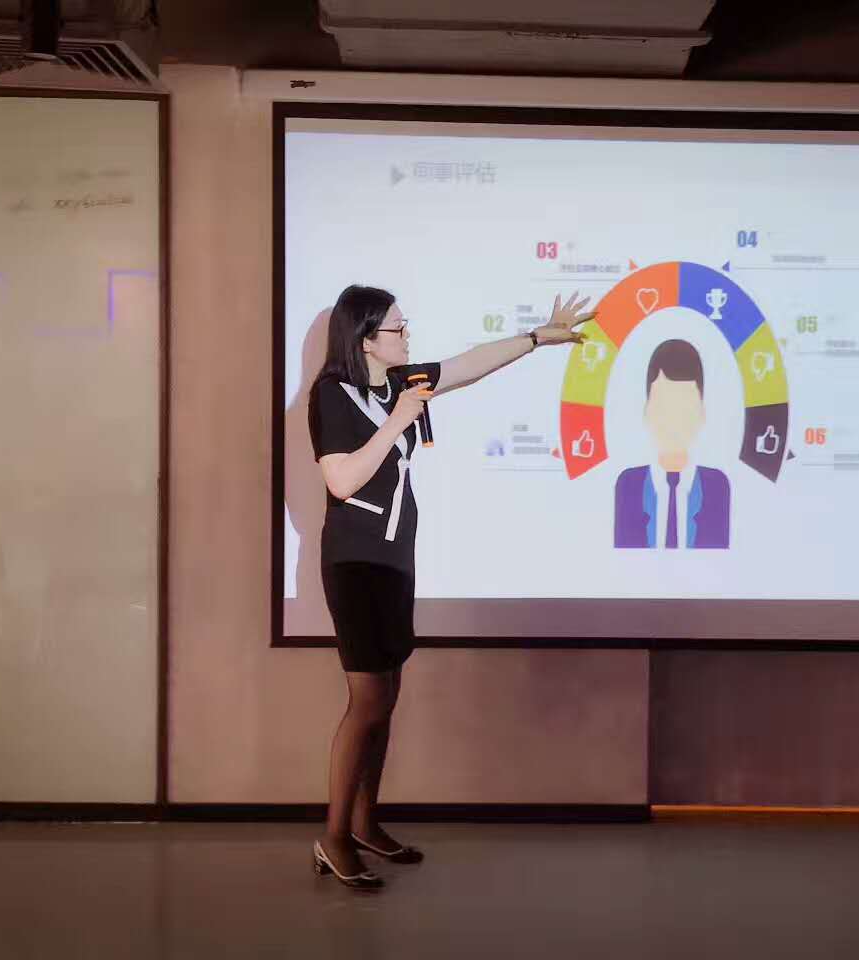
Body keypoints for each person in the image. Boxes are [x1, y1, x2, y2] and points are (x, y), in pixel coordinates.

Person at [308, 284, 592, 888]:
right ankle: (332, 838)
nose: (407, 335)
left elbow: (468, 365)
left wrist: (537, 338)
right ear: (365, 338)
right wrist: (396, 422)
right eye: (397, 327)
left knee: (387, 695)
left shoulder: (403, 382)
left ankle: (364, 823)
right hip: (355, 562)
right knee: (367, 700)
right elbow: (341, 482)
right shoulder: (332, 395)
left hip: (394, 558)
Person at [613, 339, 731, 549]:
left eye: (685, 406)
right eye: (663, 405)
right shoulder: (629, 485)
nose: (673, 419)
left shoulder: (716, 486)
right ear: (646, 411)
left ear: (702, 413)